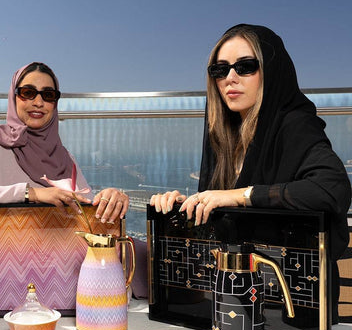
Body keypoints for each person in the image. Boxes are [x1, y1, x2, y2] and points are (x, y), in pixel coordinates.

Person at [150, 24, 351, 315]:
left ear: (271, 71)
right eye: (220, 70)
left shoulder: (294, 124)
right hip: (237, 299)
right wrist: (185, 207)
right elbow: (224, 225)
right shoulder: (224, 136)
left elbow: (332, 188)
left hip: (292, 306)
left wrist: (240, 195)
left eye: (245, 66)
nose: (230, 78)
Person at [0, 61, 130, 230]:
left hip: (61, 252)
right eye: (28, 93)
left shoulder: (64, 157)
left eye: (48, 95)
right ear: (14, 97)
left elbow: (86, 213)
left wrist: (108, 198)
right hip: (2, 253)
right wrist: (31, 194)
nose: (38, 102)